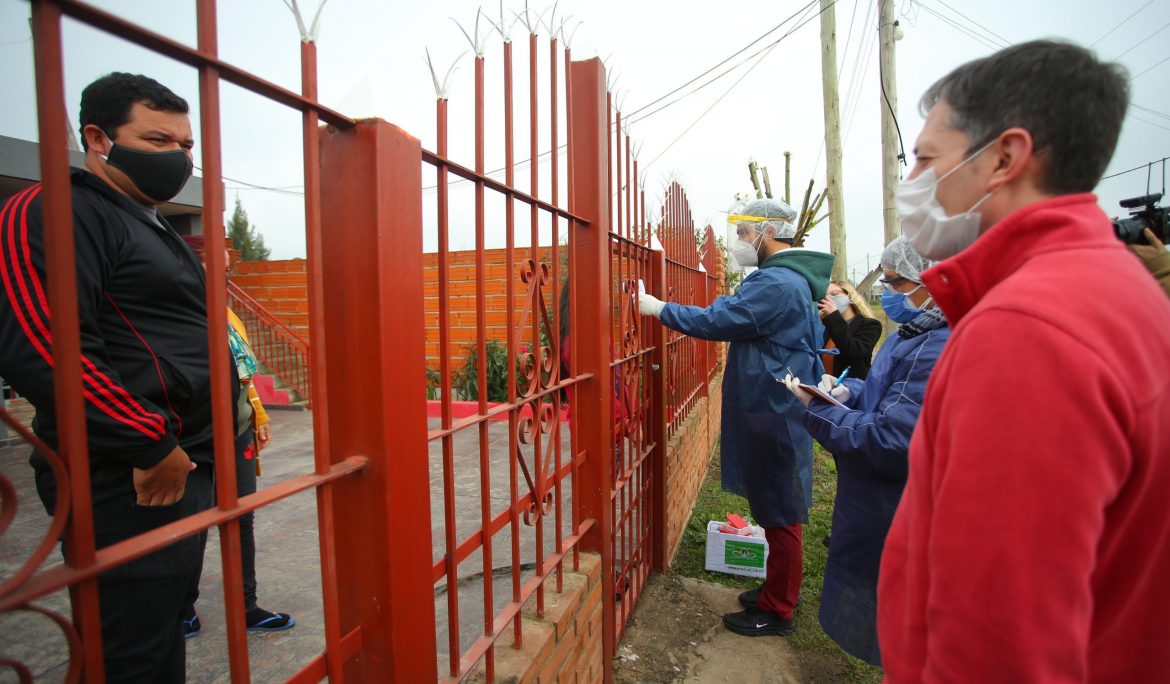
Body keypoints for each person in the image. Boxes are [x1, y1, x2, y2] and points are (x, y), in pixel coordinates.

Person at [878, 40, 1170, 681]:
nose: (913, 184)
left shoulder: (1028, 328)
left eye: (927, 159)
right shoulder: (1110, 289)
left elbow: (997, 635)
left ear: (1004, 157)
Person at [0, 73, 228, 682]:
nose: (178, 158)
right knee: (128, 652)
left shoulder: (147, 223)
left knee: (160, 634)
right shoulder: (54, 210)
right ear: (98, 138)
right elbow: (44, 343)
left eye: (185, 145)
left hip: (184, 464)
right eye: (157, 140)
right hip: (128, 475)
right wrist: (148, 439)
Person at [638, 197, 834, 637]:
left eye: (745, 234)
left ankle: (779, 609)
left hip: (774, 408)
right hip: (775, 403)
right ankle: (777, 589)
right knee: (774, 504)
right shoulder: (786, 279)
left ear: (767, 231)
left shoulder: (778, 283)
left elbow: (718, 319)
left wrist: (658, 308)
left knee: (781, 512)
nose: (741, 242)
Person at [782, 236, 949, 665]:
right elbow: (880, 387)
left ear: (931, 280)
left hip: (895, 504)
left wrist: (817, 408)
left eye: (895, 282)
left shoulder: (933, 344)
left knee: (899, 621)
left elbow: (891, 438)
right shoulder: (915, 333)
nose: (889, 292)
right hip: (876, 499)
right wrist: (845, 389)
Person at [179, 237, 295, 636]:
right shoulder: (175, 311)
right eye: (219, 268)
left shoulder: (229, 315)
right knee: (190, 523)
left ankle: (246, 607)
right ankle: (182, 608)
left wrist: (258, 414)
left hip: (237, 433)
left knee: (240, 519)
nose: (227, 277)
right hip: (191, 439)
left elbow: (244, 374)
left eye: (229, 269)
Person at [816, 279, 881, 379]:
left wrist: (833, 316)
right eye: (826, 297)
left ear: (849, 296)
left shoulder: (871, 325)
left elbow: (853, 352)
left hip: (851, 389)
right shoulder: (828, 325)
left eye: (834, 293)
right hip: (824, 387)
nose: (830, 299)